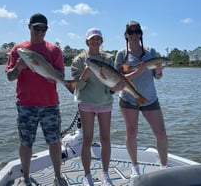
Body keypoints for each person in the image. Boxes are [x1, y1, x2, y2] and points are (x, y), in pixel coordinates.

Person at [5, 13, 67, 186]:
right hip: (26, 106)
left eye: (43, 28)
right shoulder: (18, 49)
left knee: (54, 142)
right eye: (36, 28)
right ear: (29, 27)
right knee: (26, 143)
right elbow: (10, 77)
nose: (40, 31)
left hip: (50, 105)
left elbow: (61, 74)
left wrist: (54, 77)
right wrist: (18, 67)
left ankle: (58, 176)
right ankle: (25, 178)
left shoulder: (54, 50)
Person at [71, 28, 124, 186]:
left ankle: (105, 174)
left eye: (98, 39)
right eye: (92, 39)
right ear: (87, 41)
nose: (95, 41)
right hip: (86, 103)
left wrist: (116, 88)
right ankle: (87, 176)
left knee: (105, 139)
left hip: (105, 103)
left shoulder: (108, 58)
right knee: (87, 140)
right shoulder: (79, 61)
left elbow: (112, 83)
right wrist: (86, 73)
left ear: (101, 41)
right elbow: (77, 86)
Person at [114, 20, 168, 178]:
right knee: (131, 132)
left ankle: (163, 167)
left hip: (150, 98)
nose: (134, 35)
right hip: (128, 98)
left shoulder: (151, 51)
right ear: (126, 35)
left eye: (137, 32)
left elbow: (157, 77)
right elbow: (118, 79)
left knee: (161, 133)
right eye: (131, 32)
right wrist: (136, 73)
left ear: (141, 34)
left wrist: (159, 71)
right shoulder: (121, 54)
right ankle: (135, 167)